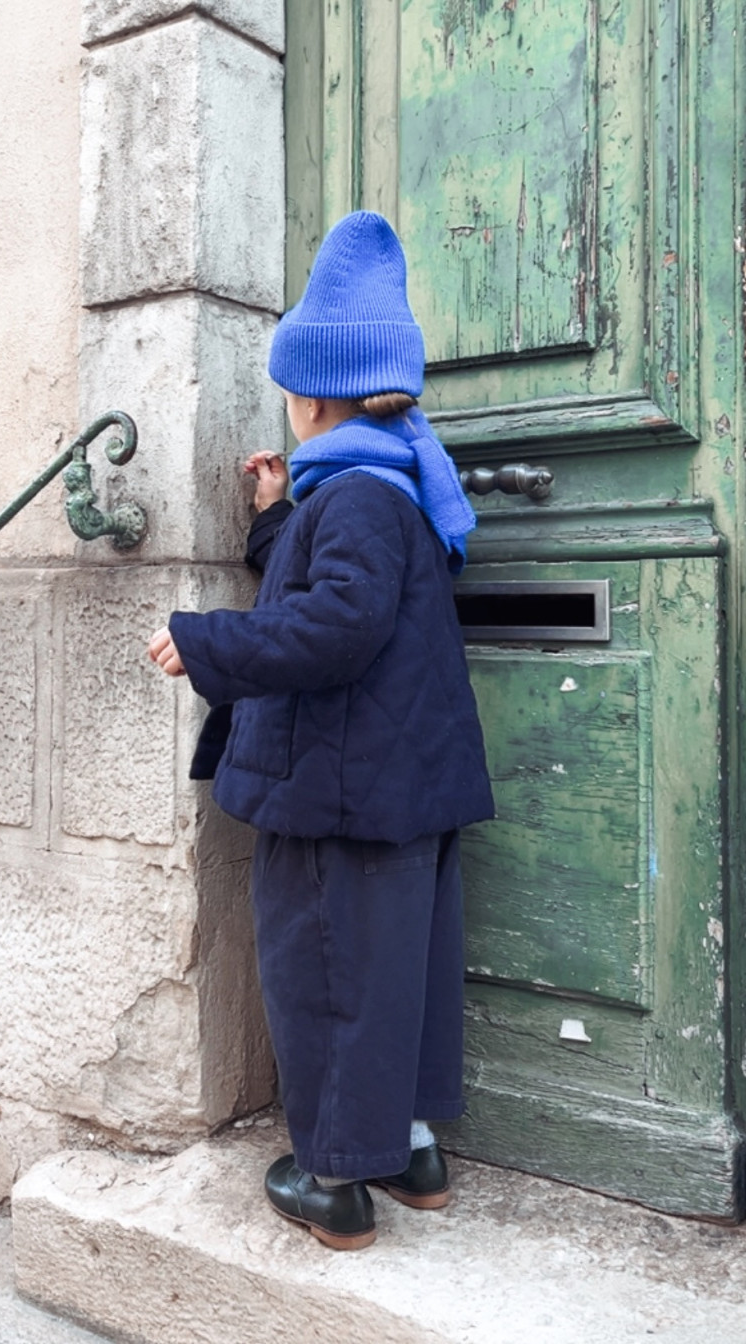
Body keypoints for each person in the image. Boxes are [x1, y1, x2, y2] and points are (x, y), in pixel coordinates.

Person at [148, 211, 494, 1251]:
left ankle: (334, 1180)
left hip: (338, 789)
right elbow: (348, 591)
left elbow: (335, 629)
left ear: (309, 396)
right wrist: (273, 521)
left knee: (328, 973)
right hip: (403, 787)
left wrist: (207, 639)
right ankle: (413, 1153)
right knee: (403, 977)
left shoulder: (352, 500)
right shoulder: (393, 489)